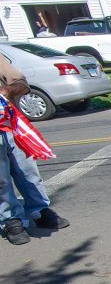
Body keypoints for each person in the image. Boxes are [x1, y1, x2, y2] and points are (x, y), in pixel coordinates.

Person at [0, 60, 69, 245]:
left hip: (12, 125)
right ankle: (11, 220)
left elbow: (22, 85)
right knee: (1, 180)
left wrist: (5, 92)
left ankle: (39, 209)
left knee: (28, 171)